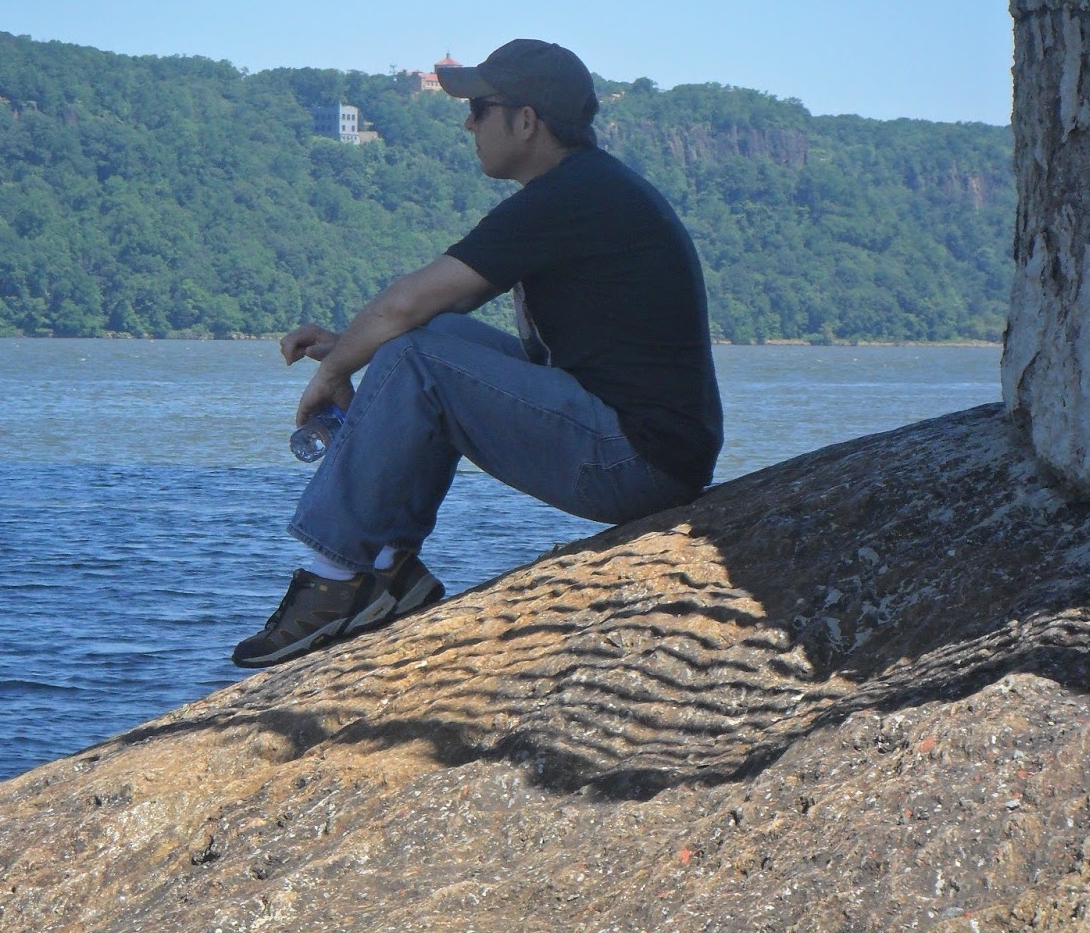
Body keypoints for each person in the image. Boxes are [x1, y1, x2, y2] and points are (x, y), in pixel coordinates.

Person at [231, 39, 723, 668]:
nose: (468, 123)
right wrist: (350, 345)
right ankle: (388, 569)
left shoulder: (568, 197)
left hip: (634, 461)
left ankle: (335, 581)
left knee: (419, 353)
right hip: (644, 447)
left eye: (480, 109)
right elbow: (420, 315)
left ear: (526, 120)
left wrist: (333, 371)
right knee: (426, 340)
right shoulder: (588, 189)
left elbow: (406, 302)